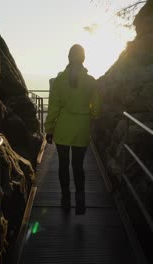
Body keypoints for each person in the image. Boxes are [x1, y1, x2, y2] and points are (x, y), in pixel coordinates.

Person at [44, 44, 101, 215]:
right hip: (82, 128)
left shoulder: (60, 80)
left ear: (68, 58)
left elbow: (53, 107)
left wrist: (49, 128)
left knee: (63, 165)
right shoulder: (91, 82)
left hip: (63, 128)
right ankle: (81, 199)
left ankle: (65, 199)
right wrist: (90, 114)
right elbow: (97, 108)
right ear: (83, 59)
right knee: (78, 165)